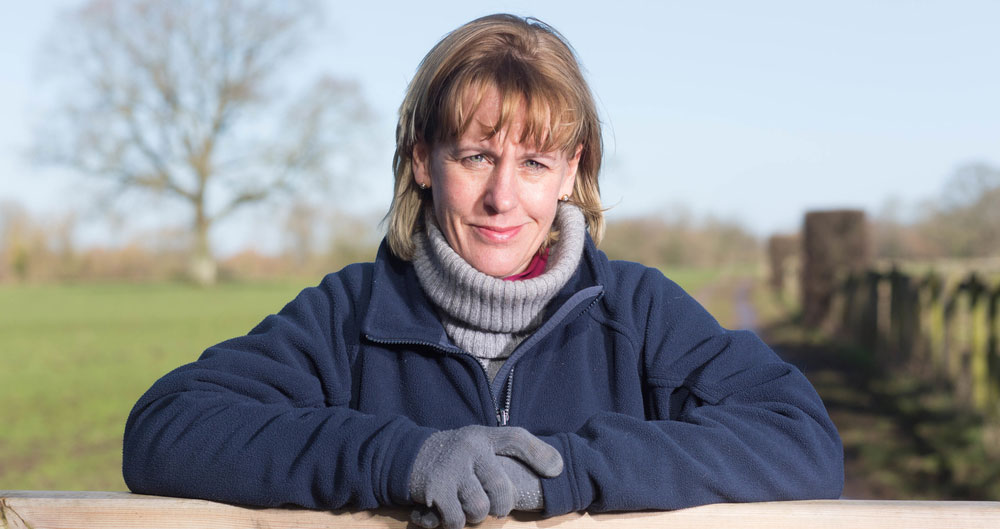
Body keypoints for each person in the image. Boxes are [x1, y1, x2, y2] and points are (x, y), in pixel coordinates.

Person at [123, 13, 844, 529]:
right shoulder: (349, 314)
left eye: (533, 162)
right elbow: (165, 429)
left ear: (572, 170)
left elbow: (801, 439)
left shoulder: (640, 313)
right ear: (422, 160)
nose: (503, 195)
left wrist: (563, 470)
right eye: (475, 156)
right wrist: (402, 457)